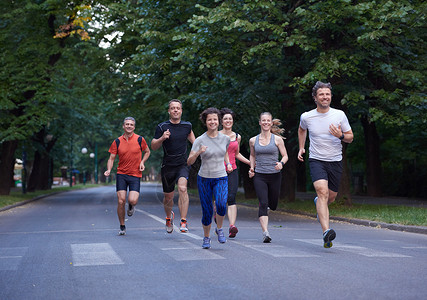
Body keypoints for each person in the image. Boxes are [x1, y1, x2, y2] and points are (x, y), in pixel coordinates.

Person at [297, 81, 354, 248]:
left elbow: (351, 137)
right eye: (321, 94)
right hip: (316, 159)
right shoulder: (307, 116)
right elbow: (301, 129)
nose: (325, 97)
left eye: (327, 94)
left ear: (331, 96)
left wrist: (340, 135)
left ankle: (319, 205)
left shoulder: (339, 115)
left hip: (335, 160)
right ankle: (326, 232)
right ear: (315, 98)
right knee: (322, 192)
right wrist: (301, 147)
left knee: (331, 197)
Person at [187, 107, 233, 249]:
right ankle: (206, 238)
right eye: (209, 120)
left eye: (215, 119)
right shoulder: (200, 140)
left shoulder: (225, 139)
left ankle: (219, 228)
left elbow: (224, 152)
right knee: (207, 211)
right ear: (205, 122)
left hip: (221, 177)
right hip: (204, 178)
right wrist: (198, 152)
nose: (212, 122)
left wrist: (228, 163)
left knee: (220, 204)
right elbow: (189, 161)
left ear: (218, 121)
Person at [151, 99, 195, 233]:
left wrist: (197, 153)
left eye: (178, 108)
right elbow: (153, 146)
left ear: (181, 111)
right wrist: (162, 138)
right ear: (169, 111)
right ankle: (168, 218)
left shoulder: (187, 126)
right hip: (168, 166)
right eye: (173, 108)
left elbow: (196, 143)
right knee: (168, 197)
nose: (175, 110)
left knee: (182, 188)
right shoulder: (162, 127)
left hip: (182, 164)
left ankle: (183, 221)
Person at [104, 117, 151, 235]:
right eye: (127, 124)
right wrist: (109, 169)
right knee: (121, 201)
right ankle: (122, 226)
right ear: (123, 126)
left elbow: (147, 152)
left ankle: (131, 206)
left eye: (131, 124)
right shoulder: (117, 141)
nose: (129, 126)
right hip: (122, 174)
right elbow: (111, 158)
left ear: (134, 127)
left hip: (135, 174)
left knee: (133, 200)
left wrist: (142, 162)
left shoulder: (140, 139)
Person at [249, 112, 288, 243]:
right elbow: (252, 155)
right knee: (263, 203)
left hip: (275, 175)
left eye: (268, 121)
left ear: (271, 123)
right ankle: (265, 232)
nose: (265, 123)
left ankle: (270, 207)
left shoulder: (277, 140)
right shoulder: (253, 140)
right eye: (263, 120)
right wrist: (252, 168)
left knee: (273, 204)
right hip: (260, 175)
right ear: (260, 122)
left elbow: (285, 156)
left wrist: (281, 163)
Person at [219, 108, 250, 238]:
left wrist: (250, 163)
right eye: (225, 118)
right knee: (221, 199)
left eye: (230, 119)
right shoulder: (217, 135)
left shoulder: (237, 136)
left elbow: (236, 154)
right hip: (219, 169)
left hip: (233, 170)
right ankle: (218, 215)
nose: (228, 121)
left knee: (231, 196)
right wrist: (226, 164)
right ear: (221, 121)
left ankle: (232, 226)